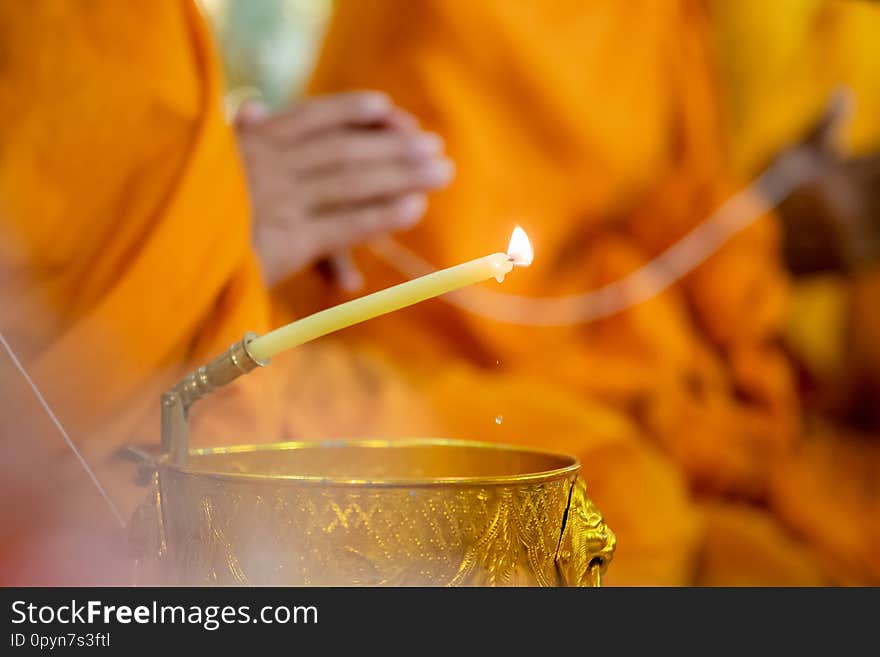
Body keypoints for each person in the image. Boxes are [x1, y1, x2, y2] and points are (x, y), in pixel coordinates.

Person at [304, 0, 880, 584]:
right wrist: (758, 240)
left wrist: (748, 242)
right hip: (473, 424)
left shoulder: (663, 21)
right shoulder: (458, 23)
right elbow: (490, 332)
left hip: (685, 423)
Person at [0, 0, 452, 584]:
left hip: (264, 380)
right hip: (96, 474)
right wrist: (204, 224)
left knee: (567, 479)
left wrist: (202, 184)